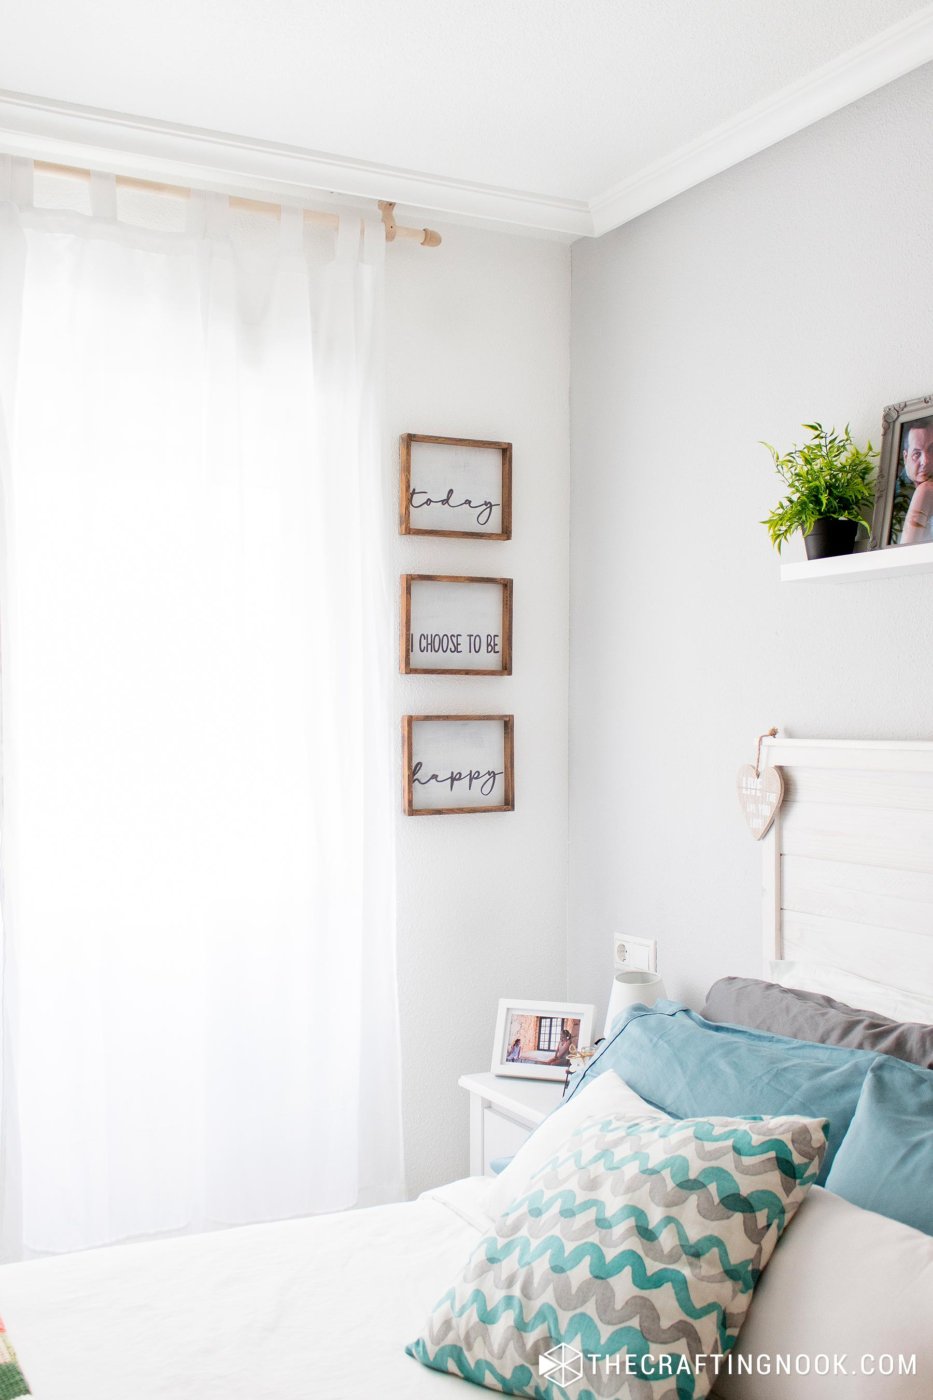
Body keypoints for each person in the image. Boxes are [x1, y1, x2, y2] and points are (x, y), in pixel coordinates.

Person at [897, 417, 933, 544]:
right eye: (917, 454)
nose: (926, 461)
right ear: (905, 457)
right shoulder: (894, 495)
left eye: (931, 450)